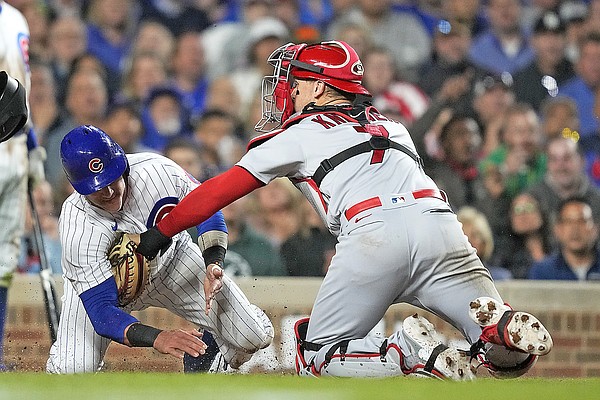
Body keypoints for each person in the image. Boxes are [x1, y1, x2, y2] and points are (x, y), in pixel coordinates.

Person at [133, 40, 553, 380]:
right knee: (503, 361)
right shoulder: (394, 125)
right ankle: (497, 329)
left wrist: (157, 235)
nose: (288, 92)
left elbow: (215, 193)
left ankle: (409, 354)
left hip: (373, 234)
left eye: (296, 82)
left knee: (315, 355)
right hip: (440, 226)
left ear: (319, 88)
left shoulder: (297, 134)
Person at [46, 125, 273, 373]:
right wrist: (158, 337)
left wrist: (213, 262)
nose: (109, 191)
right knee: (74, 368)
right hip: (105, 288)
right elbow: (101, 312)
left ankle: (216, 345)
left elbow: (208, 208)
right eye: (97, 187)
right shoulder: (76, 224)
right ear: (76, 187)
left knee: (253, 337)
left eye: (111, 178)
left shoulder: (157, 171)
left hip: (173, 264)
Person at [0, 1, 47, 371]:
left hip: (12, 153)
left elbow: (21, 92)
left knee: (3, 258)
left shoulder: (16, 18)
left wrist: (32, 154)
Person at [529, 197, 600, 281]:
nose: (575, 229)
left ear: (595, 228)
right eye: (568, 222)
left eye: (582, 221)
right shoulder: (542, 271)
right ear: (557, 230)